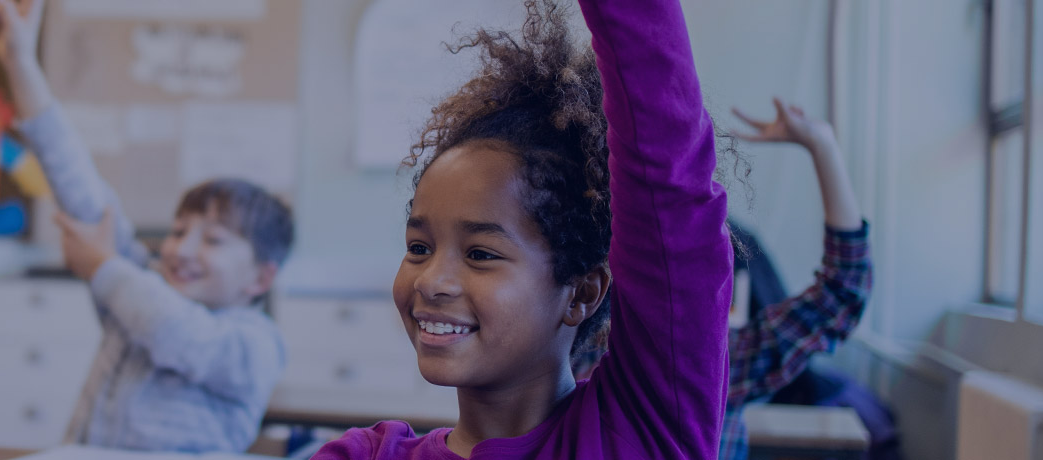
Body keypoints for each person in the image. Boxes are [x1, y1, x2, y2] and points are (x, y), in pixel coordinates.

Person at [313, 0, 735, 457]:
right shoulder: (365, 454)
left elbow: (668, 184)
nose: (431, 280)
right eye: (419, 246)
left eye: (480, 253)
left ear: (582, 293)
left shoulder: (639, 429)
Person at [0, 0, 295, 453]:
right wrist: (21, 63)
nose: (181, 249)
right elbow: (79, 187)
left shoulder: (256, 344)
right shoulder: (134, 287)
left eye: (212, 239)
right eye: (177, 231)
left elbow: (181, 336)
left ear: (261, 277)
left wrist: (105, 269)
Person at [719, 98, 874, 459]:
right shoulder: (704, 367)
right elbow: (842, 291)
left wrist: (823, 147)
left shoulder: (709, 364)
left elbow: (840, 290)